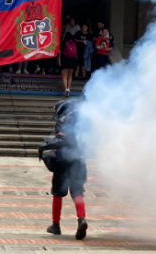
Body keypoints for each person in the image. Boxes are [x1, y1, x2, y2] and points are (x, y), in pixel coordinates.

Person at [39, 99, 88, 240]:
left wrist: (45, 146)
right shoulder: (83, 119)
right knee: (77, 192)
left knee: (58, 193)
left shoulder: (64, 119)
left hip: (63, 159)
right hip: (79, 159)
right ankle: (81, 218)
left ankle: (56, 225)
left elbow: (62, 140)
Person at [59, 32, 77, 97]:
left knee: (64, 76)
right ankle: (68, 88)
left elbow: (60, 51)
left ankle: (65, 89)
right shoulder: (74, 43)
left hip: (64, 60)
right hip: (72, 60)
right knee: (70, 76)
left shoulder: (63, 43)